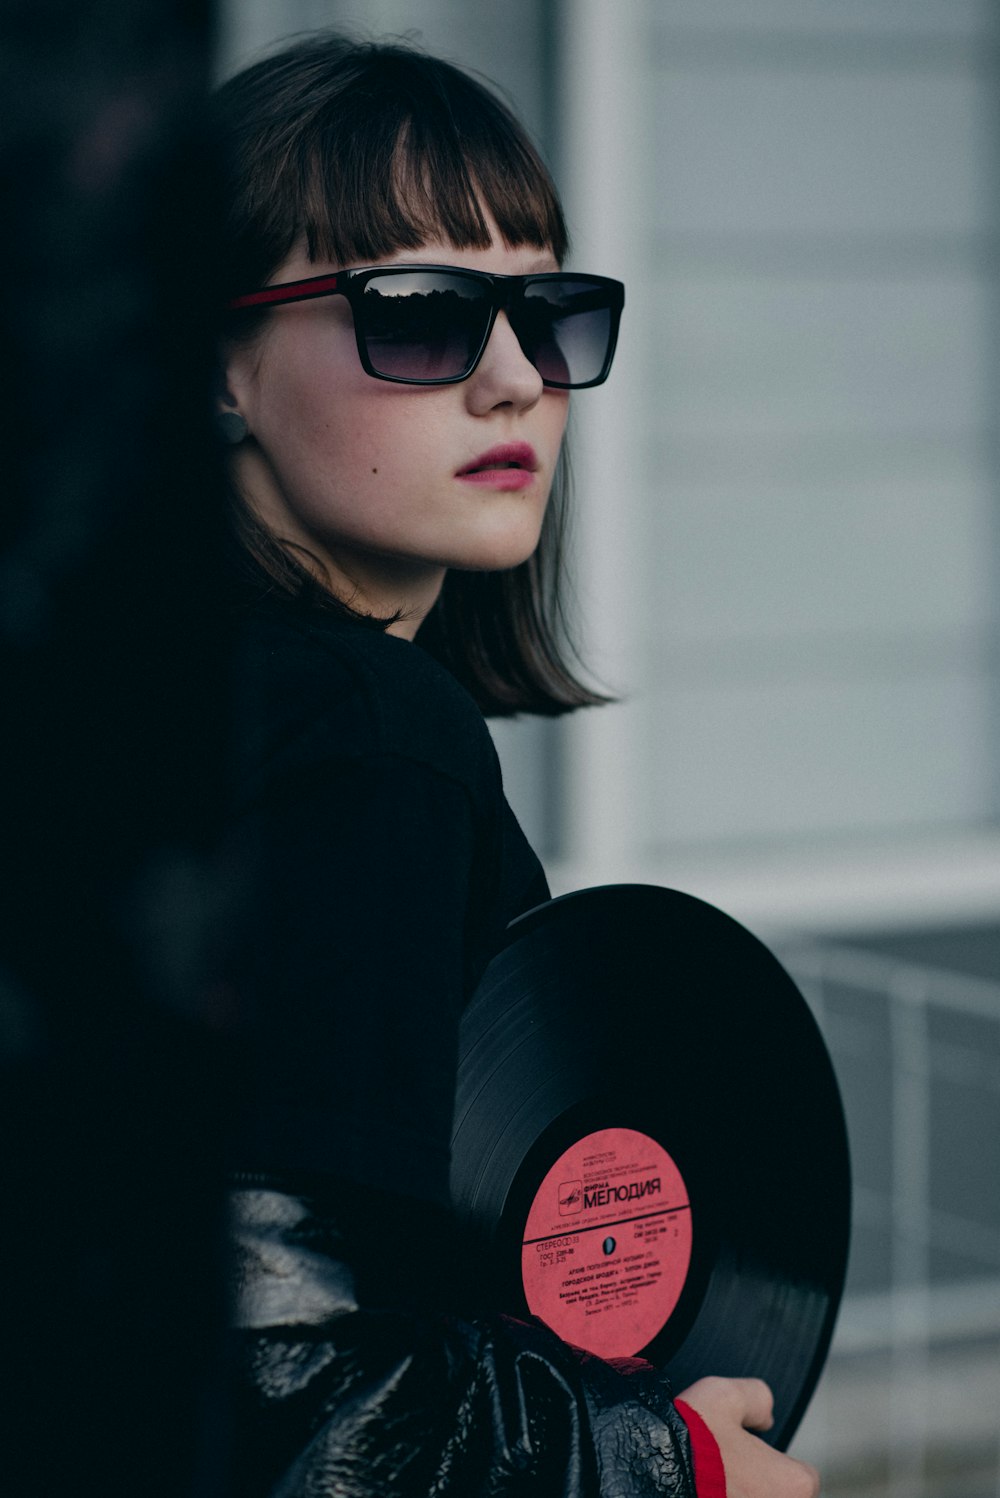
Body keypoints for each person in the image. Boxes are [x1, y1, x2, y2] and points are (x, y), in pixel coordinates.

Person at [215, 33, 820, 1498]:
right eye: (416, 314)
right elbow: (280, 1387)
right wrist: (668, 1461)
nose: (514, 380)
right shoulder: (371, 740)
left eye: (544, 314)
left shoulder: (161, 713)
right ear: (215, 363)